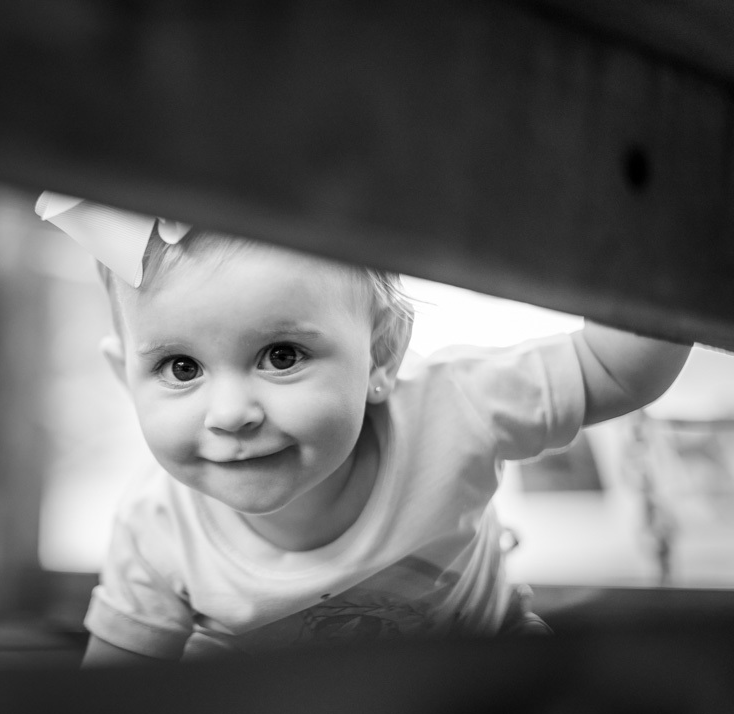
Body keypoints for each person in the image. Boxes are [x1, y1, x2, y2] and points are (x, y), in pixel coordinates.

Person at [36, 192, 691, 666]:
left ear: (381, 354)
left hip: (484, 693)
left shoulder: (454, 411)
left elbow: (613, 368)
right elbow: (113, 708)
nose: (231, 411)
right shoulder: (157, 526)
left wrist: (671, 225)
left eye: (282, 355)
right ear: (127, 377)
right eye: (181, 366)